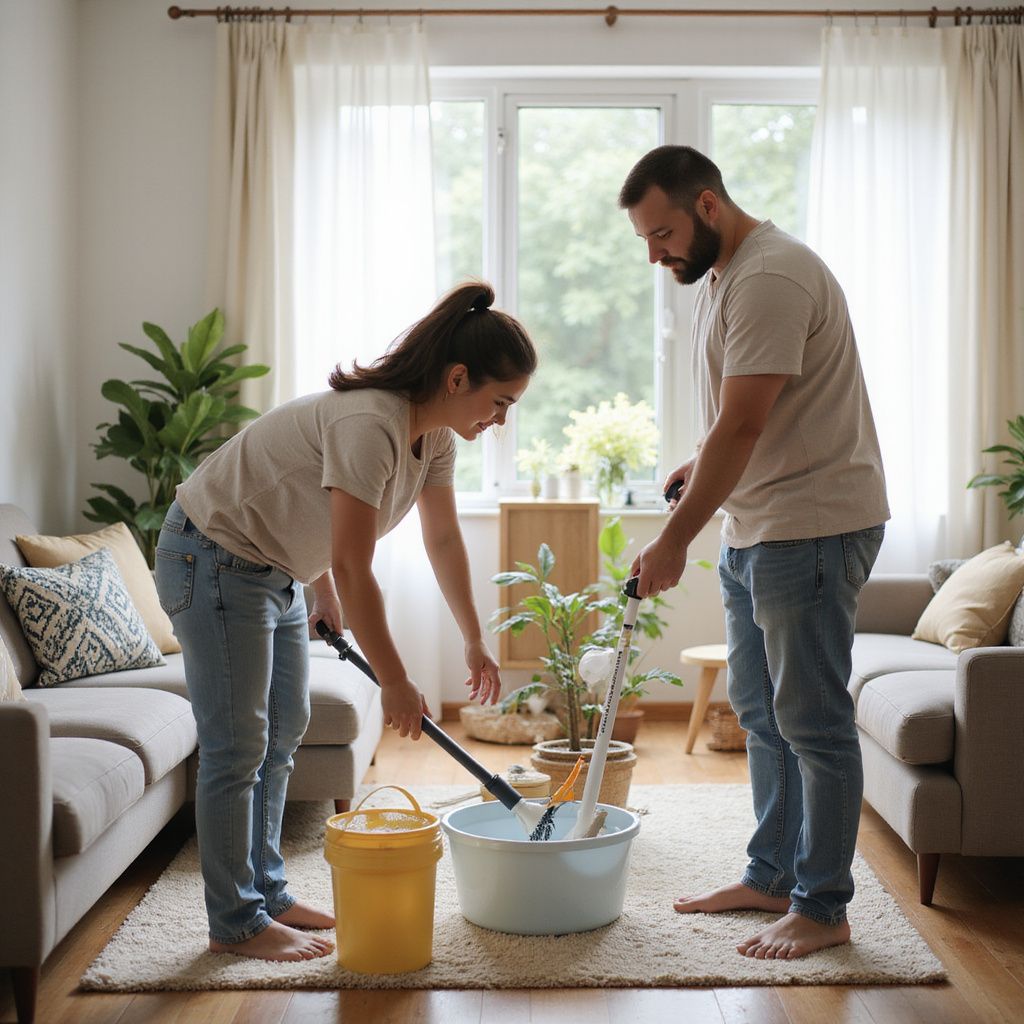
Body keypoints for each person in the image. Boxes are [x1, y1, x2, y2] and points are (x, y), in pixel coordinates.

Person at [154, 281, 536, 962]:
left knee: (284, 732)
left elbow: (440, 539)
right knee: (237, 745)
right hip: (211, 558)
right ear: (457, 378)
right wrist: (393, 678)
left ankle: (267, 893)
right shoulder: (371, 423)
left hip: (274, 568)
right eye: (500, 402)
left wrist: (474, 637)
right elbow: (358, 565)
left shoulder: (434, 436)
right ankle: (234, 922)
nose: (500, 419)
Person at [618, 146, 889, 960]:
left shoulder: (770, 277)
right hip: (759, 524)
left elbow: (746, 423)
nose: (654, 252)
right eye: (644, 237)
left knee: (813, 722)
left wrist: (673, 539)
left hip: (809, 526)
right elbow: (743, 413)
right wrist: (701, 466)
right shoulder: (721, 277)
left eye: (662, 232)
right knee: (764, 716)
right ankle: (771, 877)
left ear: (707, 206)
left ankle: (823, 906)